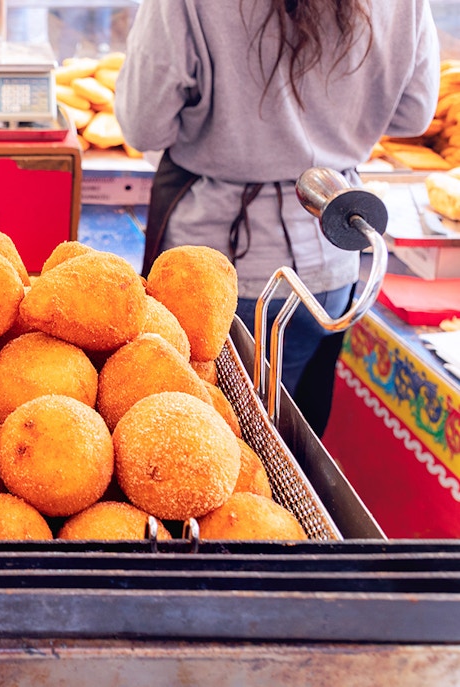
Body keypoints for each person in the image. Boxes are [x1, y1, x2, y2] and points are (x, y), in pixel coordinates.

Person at [115, 0, 440, 433]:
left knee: (194, 441)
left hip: (212, 269)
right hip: (332, 256)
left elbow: (143, 125)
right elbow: (414, 113)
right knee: (290, 446)